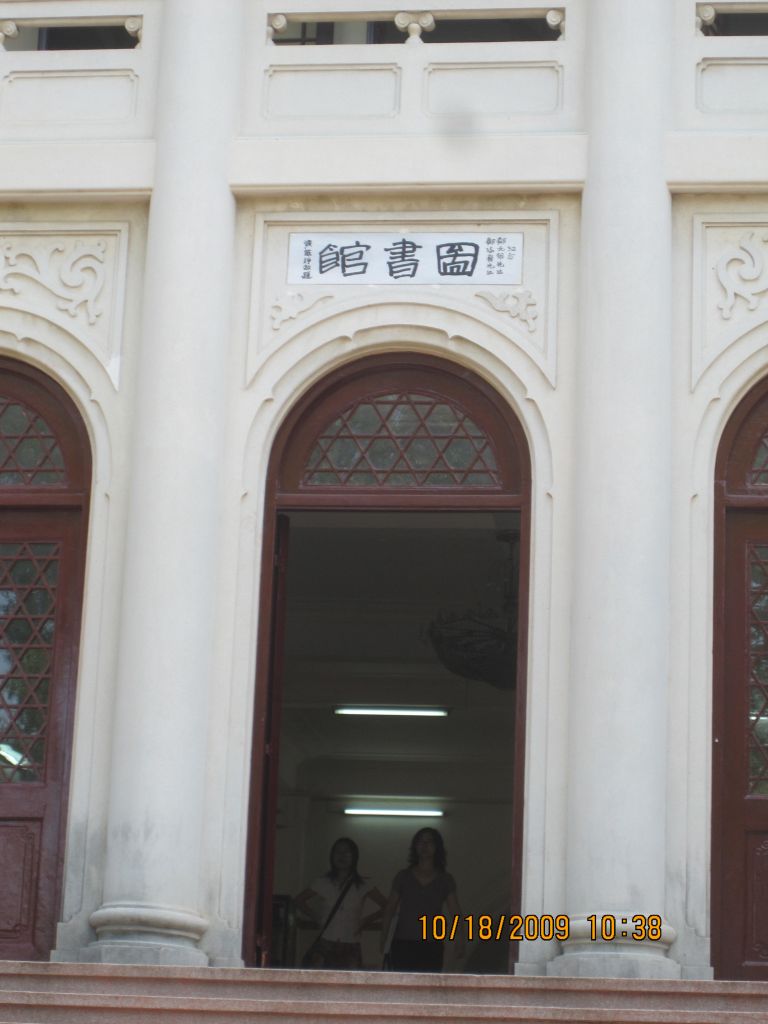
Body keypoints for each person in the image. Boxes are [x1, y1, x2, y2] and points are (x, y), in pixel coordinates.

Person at [380, 827, 464, 973]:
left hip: (432, 943)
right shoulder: (403, 877)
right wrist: (383, 938)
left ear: (437, 847)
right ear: (415, 846)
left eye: (429, 841)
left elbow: (455, 912)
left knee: (429, 983)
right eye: (421, 841)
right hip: (403, 941)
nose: (425, 845)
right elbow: (389, 909)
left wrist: (460, 939)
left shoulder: (445, 879)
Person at [294, 837, 386, 969]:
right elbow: (299, 900)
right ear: (332, 856)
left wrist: (366, 920)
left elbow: (387, 906)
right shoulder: (322, 882)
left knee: (349, 981)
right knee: (322, 979)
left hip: (351, 942)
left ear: (354, 856)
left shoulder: (364, 884)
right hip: (326, 942)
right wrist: (317, 918)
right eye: (338, 852)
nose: (342, 856)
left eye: (346, 852)